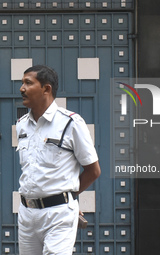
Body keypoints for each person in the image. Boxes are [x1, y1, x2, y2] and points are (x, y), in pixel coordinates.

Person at [16, 65, 101, 255]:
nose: (22, 88)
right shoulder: (22, 125)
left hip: (58, 215)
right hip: (27, 213)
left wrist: (68, 196)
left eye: (28, 83)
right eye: (22, 83)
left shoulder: (71, 123)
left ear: (46, 89)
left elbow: (93, 170)